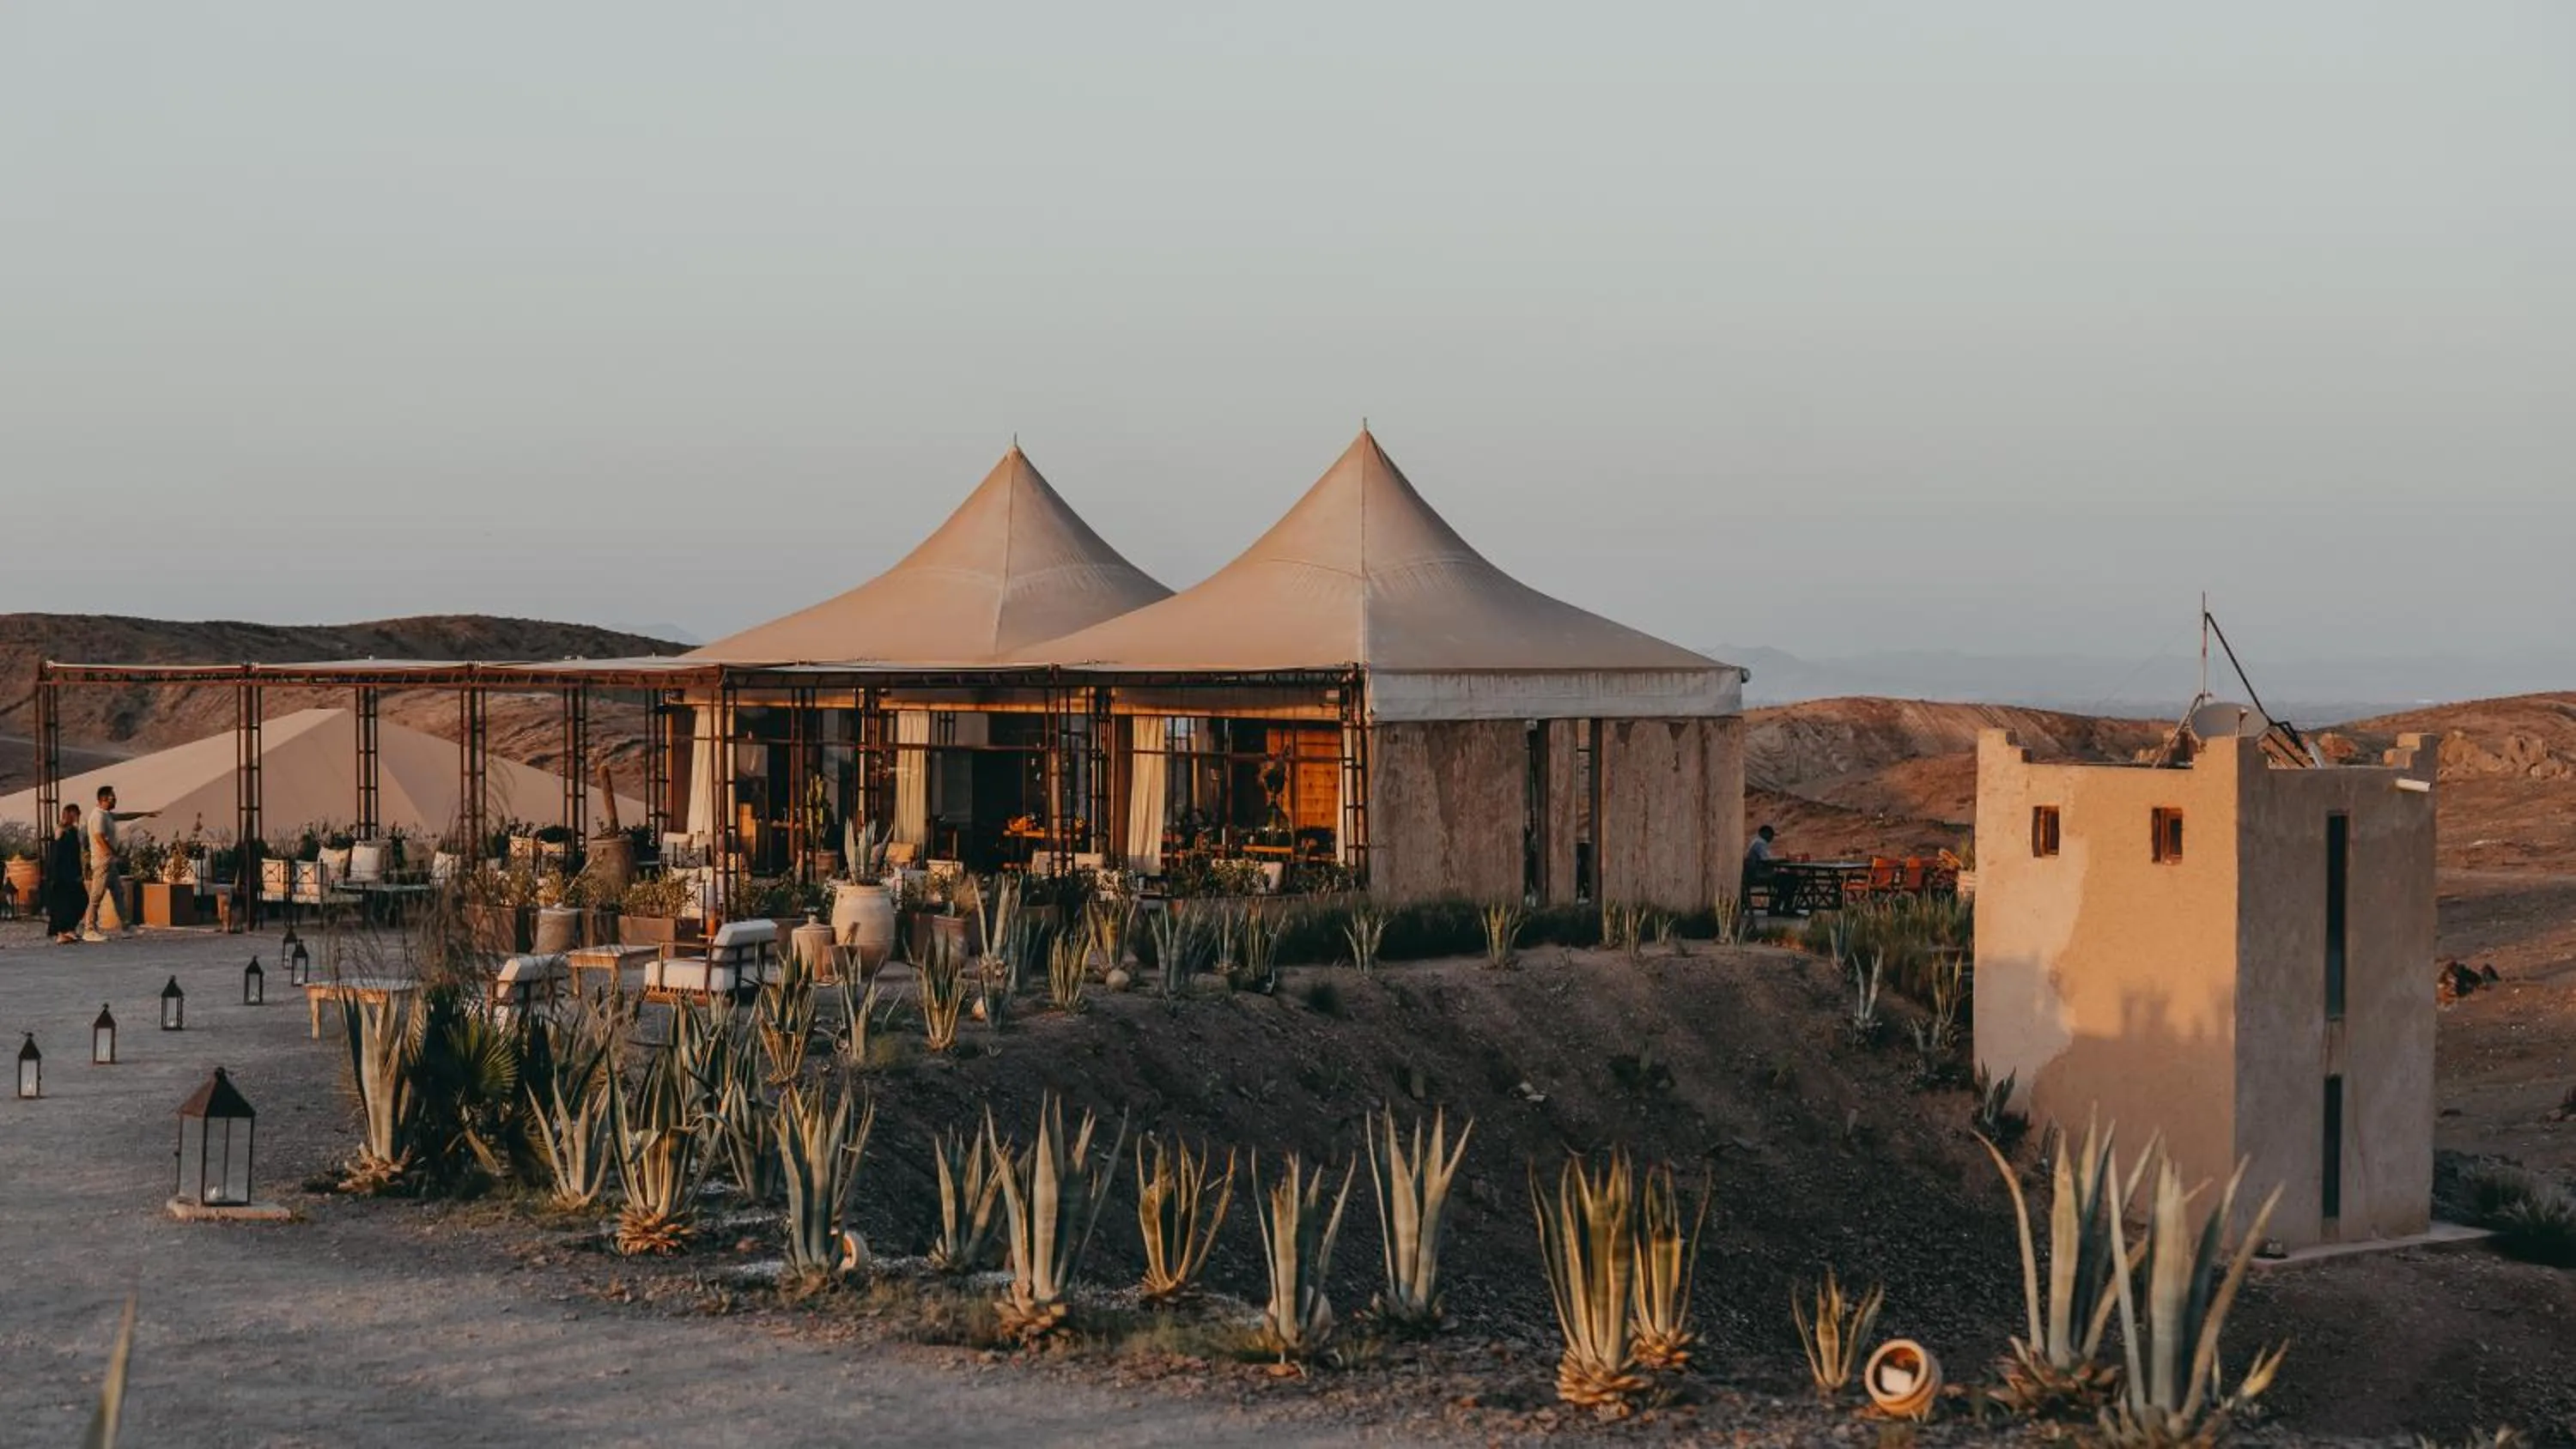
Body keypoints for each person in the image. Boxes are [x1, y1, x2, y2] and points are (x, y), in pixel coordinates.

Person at [82, 784, 158, 942]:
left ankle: (126, 926)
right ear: (104, 799)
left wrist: (145, 813)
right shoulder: (98, 816)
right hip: (102, 862)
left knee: (118, 893)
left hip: (109, 863)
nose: (115, 800)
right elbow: (99, 838)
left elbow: (124, 816)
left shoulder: (107, 815)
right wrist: (113, 853)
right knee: (96, 896)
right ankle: (89, 929)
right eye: (112, 797)